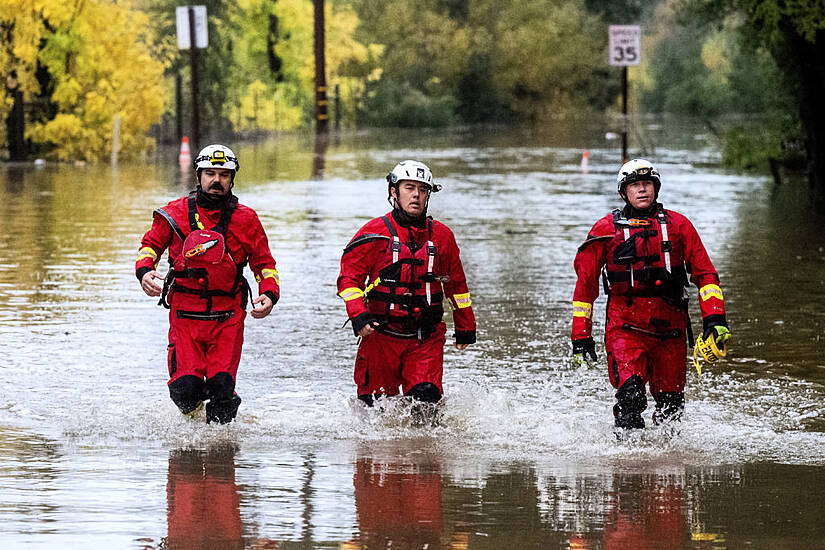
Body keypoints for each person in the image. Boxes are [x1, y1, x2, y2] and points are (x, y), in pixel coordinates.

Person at [571, 159, 729, 431]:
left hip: (671, 330)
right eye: (635, 185)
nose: (642, 190)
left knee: (671, 409)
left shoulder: (680, 226)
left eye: (647, 184)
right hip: (625, 328)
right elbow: (586, 285)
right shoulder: (605, 231)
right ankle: (627, 466)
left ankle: (666, 468)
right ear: (624, 193)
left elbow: (705, 275)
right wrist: (581, 336)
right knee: (630, 397)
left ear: (656, 188)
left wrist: (714, 319)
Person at [136, 144, 279, 423]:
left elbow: (264, 264)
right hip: (185, 315)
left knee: (222, 389)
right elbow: (150, 246)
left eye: (224, 175)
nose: (217, 180)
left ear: (232, 178)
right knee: (185, 390)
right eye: (210, 173)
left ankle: (221, 456)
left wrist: (269, 295)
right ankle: (194, 433)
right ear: (198, 175)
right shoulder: (174, 213)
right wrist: (144, 272)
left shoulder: (247, 219)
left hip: (228, 316)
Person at [337, 160, 476, 406]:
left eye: (423, 190)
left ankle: (421, 447)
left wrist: (465, 325)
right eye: (409, 188)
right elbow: (349, 280)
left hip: (425, 337)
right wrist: (358, 315)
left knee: (426, 405)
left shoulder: (442, 237)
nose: (416, 195)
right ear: (394, 192)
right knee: (373, 410)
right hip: (380, 336)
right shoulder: (373, 233)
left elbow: (456, 285)